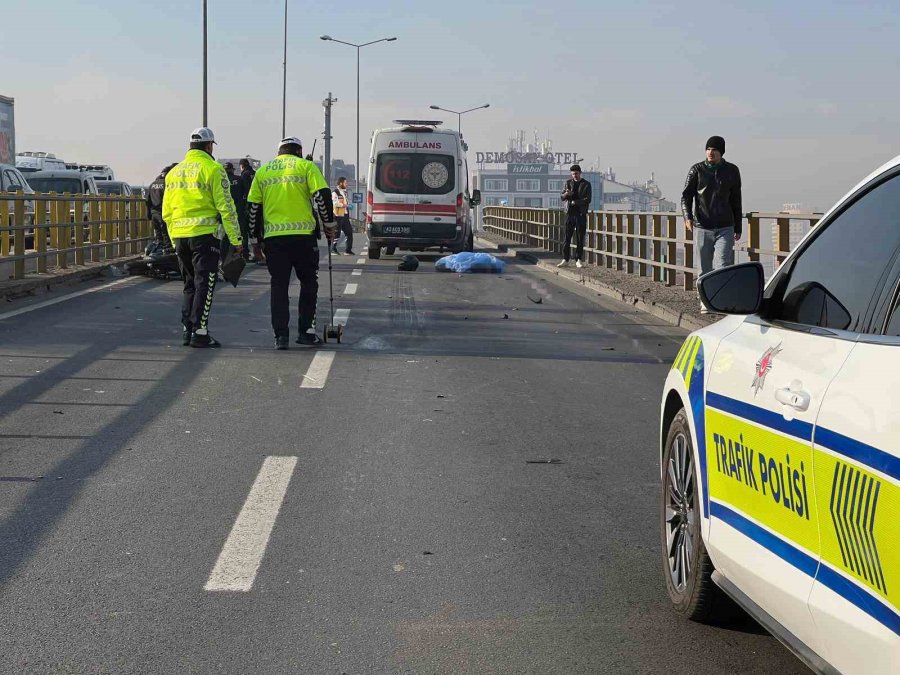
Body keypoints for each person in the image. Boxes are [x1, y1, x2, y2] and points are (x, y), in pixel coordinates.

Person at [247, 136, 335, 350]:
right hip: (303, 238)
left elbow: (253, 209)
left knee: (279, 286)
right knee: (308, 283)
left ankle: (281, 336)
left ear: (279, 152)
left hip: (274, 240)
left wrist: (254, 239)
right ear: (299, 151)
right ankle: (306, 332)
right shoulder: (306, 166)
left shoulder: (263, 171)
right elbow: (322, 196)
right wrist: (329, 225)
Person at [162, 127, 243, 348]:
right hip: (204, 236)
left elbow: (166, 212)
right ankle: (200, 331)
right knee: (204, 283)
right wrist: (236, 241)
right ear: (209, 146)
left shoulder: (173, 173)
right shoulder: (213, 169)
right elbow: (227, 208)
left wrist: (173, 240)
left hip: (179, 236)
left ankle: (187, 329)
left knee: (189, 283)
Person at [681, 135, 743, 312]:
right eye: (708, 149)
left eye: (714, 150)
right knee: (704, 267)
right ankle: (705, 301)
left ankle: (720, 300)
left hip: (725, 225)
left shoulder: (732, 170)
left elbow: (736, 200)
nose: (710, 153)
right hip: (702, 225)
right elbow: (685, 196)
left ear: (721, 152)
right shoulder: (697, 170)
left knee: (723, 264)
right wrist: (687, 217)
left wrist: (738, 226)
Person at [558, 164, 592, 269]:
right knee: (567, 237)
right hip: (569, 214)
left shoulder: (586, 184)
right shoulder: (568, 183)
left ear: (580, 173)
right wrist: (567, 194)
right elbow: (562, 197)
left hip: (580, 214)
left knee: (580, 238)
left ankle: (578, 259)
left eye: (576, 174)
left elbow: (588, 199)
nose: (574, 176)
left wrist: (574, 202)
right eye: (573, 174)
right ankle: (565, 259)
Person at [145, 163, 177, 250]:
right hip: (164, 213)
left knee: (158, 234)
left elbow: (147, 200)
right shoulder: (167, 184)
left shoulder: (152, 184)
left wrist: (148, 214)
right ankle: (167, 252)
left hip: (154, 213)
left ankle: (159, 250)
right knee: (166, 234)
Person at [238, 158, 257, 261]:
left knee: (244, 231)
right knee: (256, 230)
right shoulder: (255, 173)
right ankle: (259, 253)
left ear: (241, 166)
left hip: (248, 205)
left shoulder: (244, 175)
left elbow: (245, 191)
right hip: (257, 204)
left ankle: (246, 253)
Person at [331, 176, 354, 255]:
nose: (347, 184)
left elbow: (344, 202)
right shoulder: (335, 193)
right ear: (340, 183)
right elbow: (335, 203)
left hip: (345, 215)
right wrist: (345, 205)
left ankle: (348, 250)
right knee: (337, 233)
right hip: (338, 216)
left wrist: (348, 205)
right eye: (345, 183)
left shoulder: (344, 192)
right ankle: (333, 249)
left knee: (349, 232)